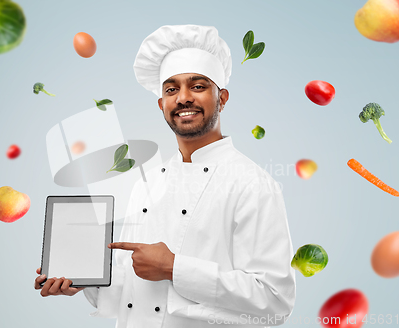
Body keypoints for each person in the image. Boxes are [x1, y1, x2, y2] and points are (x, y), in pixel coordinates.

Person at [35, 25, 296, 327]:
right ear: (162, 105)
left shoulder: (253, 184)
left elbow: (275, 301)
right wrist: (84, 279)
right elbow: (134, 293)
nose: (183, 98)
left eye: (198, 86)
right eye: (171, 90)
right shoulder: (147, 183)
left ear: (222, 98)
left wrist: (175, 268)